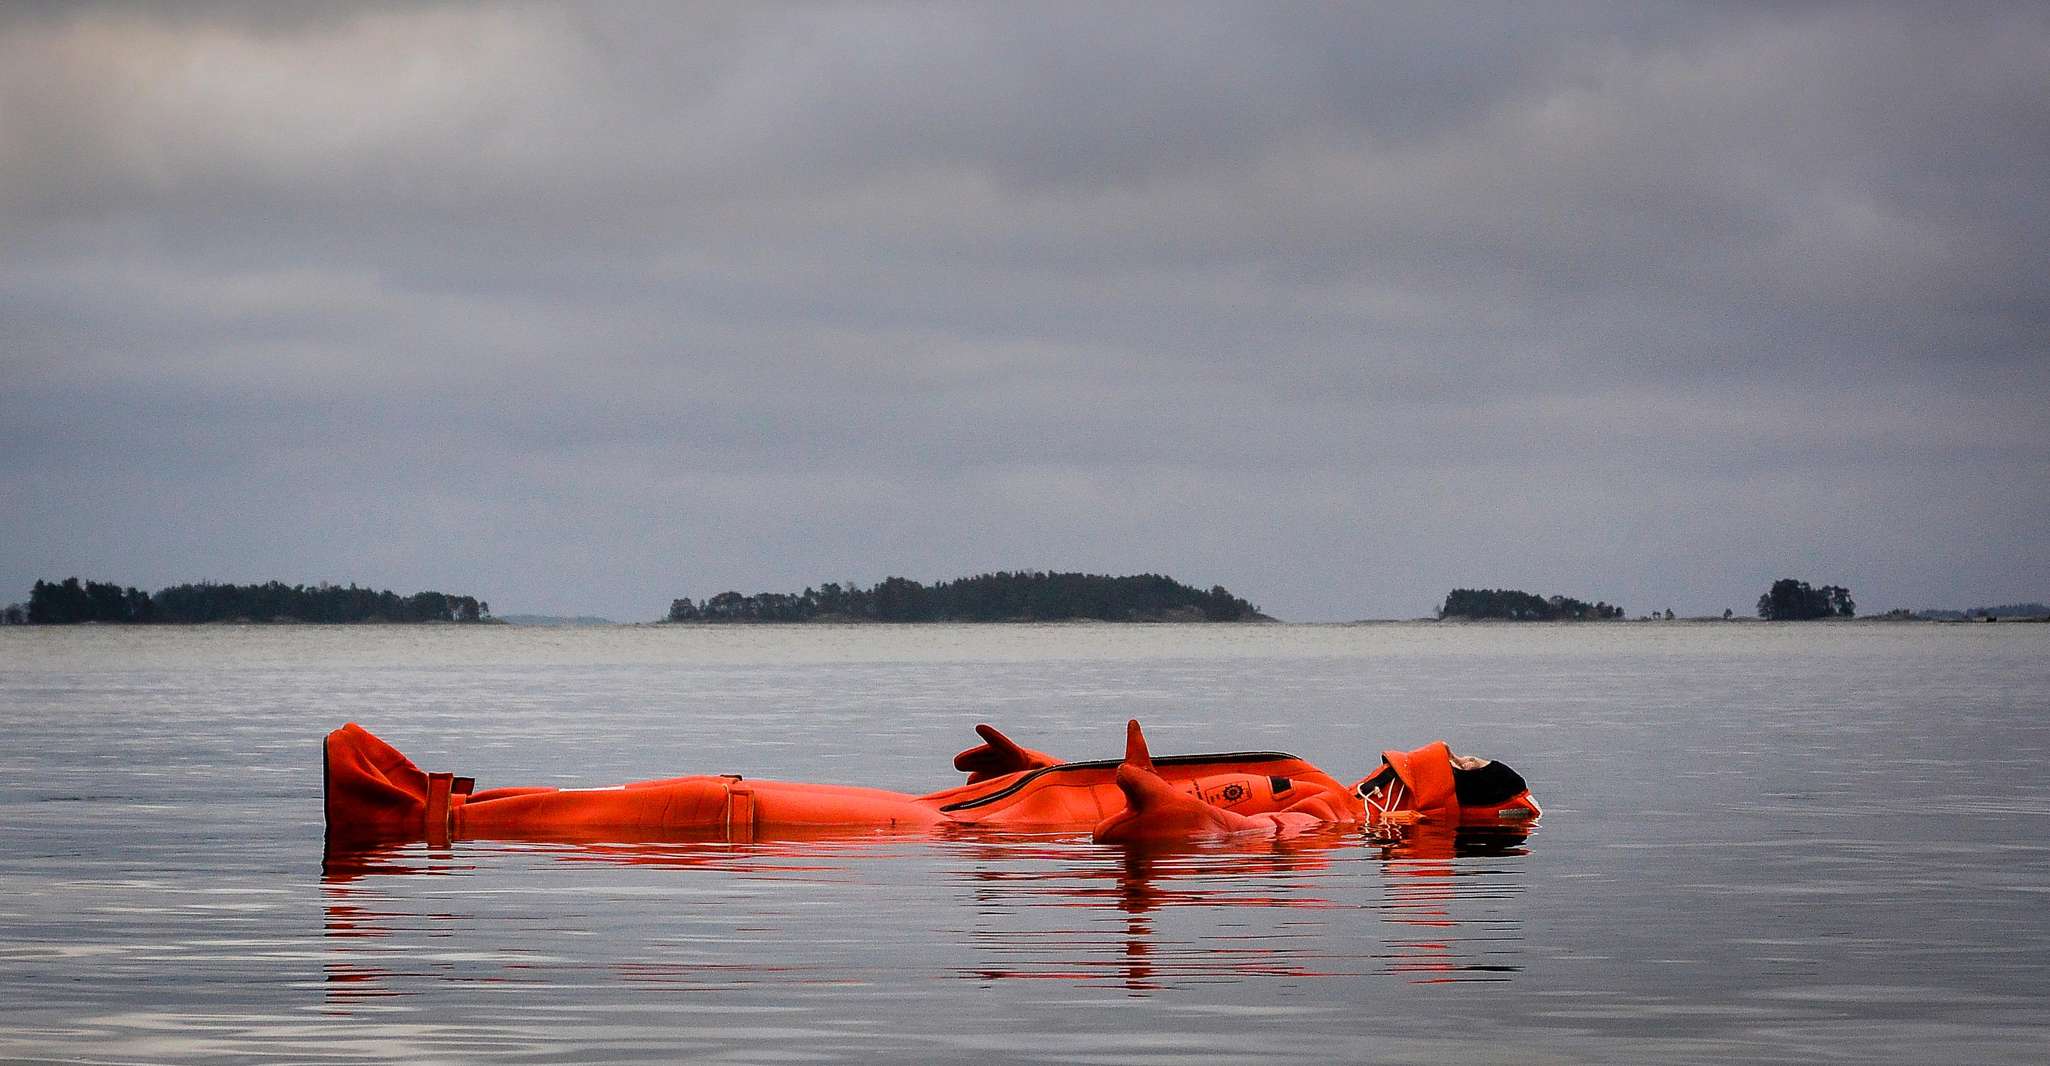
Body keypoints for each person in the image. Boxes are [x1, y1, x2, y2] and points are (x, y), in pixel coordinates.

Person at [323, 719, 1537, 847]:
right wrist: (1045, 775)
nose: (1383, 774)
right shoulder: (1319, 792)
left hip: (939, 836)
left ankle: (428, 815)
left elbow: (1222, 840)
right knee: (721, 795)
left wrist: (1147, 808)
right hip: (965, 820)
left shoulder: (1329, 819)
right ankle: (434, 813)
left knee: (722, 802)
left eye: (1410, 777)